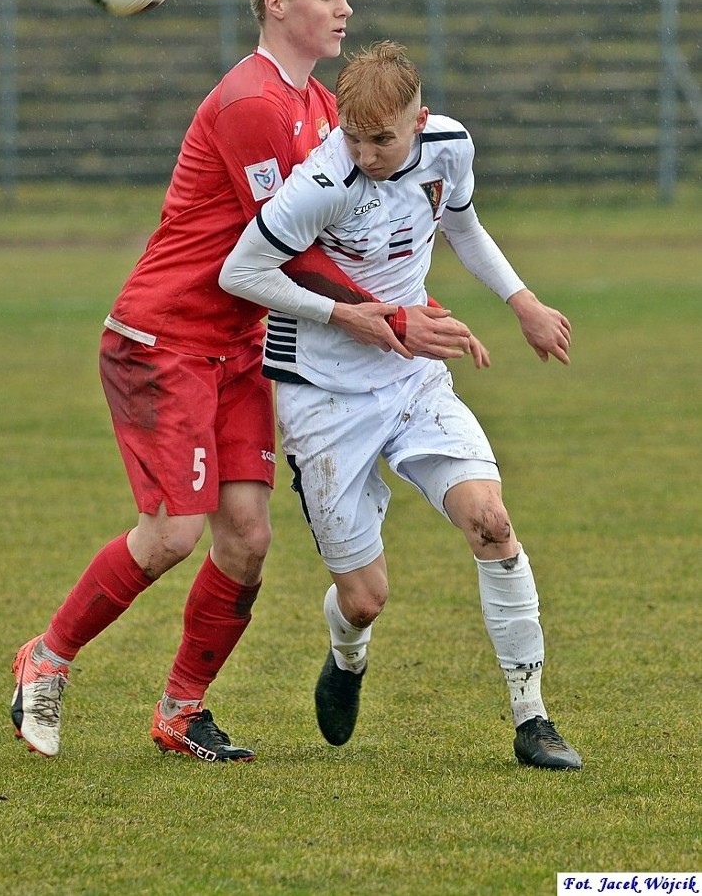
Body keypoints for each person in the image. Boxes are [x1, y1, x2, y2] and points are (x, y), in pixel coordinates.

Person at [10, 0, 479, 763]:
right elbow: (289, 253)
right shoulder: (252, 103)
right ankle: (46, 658)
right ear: (277, 3)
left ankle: (181, 710)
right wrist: (394, 319)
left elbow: (349, 236)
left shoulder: (325, 106)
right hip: (164, 338)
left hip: (238, 346)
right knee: (172, 533)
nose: (345, 7)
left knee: (248, 539)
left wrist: (410, 304)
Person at [219, 40, 582, 769]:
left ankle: (533, 717)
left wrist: (524, 302)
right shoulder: (324, 179)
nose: (365, 152)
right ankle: (347, 656)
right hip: (322, 394)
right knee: (364, 598)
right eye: (353, 135)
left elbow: (463, 226)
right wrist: (350, 317)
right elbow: (242, 270)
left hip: (410, 379)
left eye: (381, 138)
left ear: (419, 121)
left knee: (491, 519)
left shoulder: (449, 148)